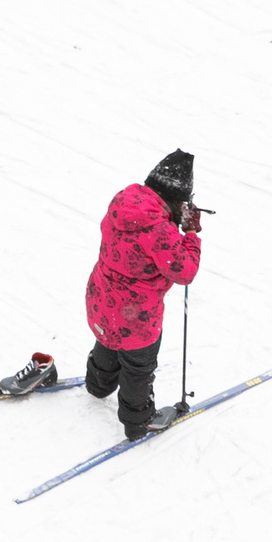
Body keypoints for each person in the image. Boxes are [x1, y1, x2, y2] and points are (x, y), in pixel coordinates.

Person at [84, 149, 204, 440]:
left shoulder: (122, 202)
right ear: (176, 198)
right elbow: (184, 271)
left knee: (107, 339)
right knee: (138, 367)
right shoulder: (160, 231)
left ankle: (98, 385)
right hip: (136, 316)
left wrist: (172, 221)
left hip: (101, 299)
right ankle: (138, 420)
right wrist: (189, 235)